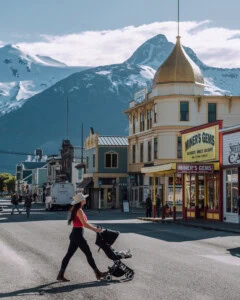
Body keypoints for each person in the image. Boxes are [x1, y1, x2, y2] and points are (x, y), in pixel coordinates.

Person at [57, 192, 108, 282]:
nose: (85, 199)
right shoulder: (79, 210)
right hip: (77, 235)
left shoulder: (76, 208)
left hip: (75, 234)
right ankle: (98, 273)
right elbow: (84, 224)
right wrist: (95, 229)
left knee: (68, 255)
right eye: (84, 198)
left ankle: (60, 275)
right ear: (81, 201)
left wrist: (94, 228)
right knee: (88, 254)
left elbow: (83, 223)